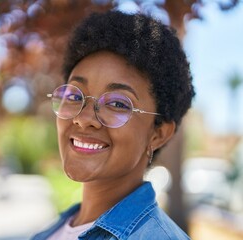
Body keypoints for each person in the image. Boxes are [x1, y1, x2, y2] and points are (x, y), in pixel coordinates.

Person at [32, 9, 195, 240]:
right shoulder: (50, 233)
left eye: (117, 104)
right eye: (75, 97)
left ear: (158, 134)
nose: (84, 118)